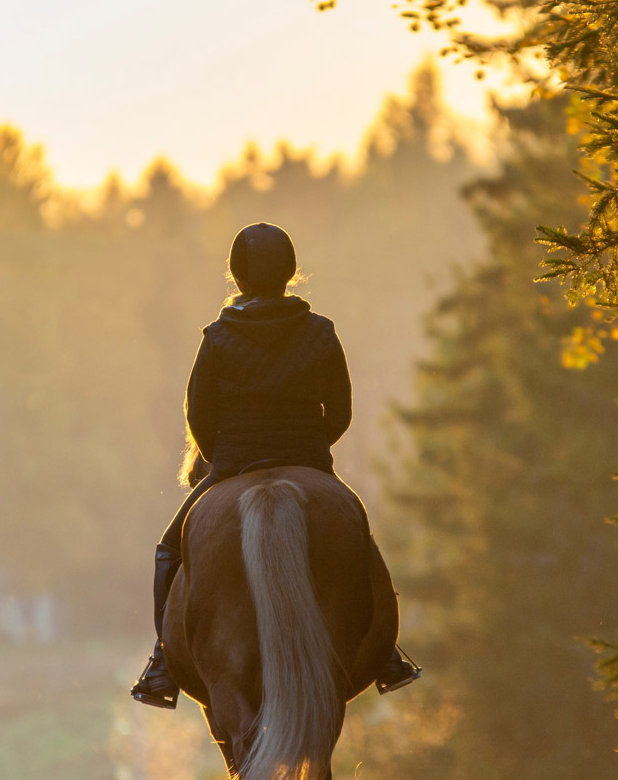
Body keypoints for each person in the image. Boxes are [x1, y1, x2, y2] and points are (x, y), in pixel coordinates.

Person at [130, 222, 423, 709]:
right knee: (360, 541)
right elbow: (343, 411)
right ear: (290, 272)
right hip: (308, 457)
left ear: (237, 276)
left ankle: (162, 661)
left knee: (168, 551)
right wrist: (309, 448)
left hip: (231, 463)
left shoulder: (217, 336)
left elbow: (197, 415)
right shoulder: (320, 332)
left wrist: (221, 457)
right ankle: (386, 652)